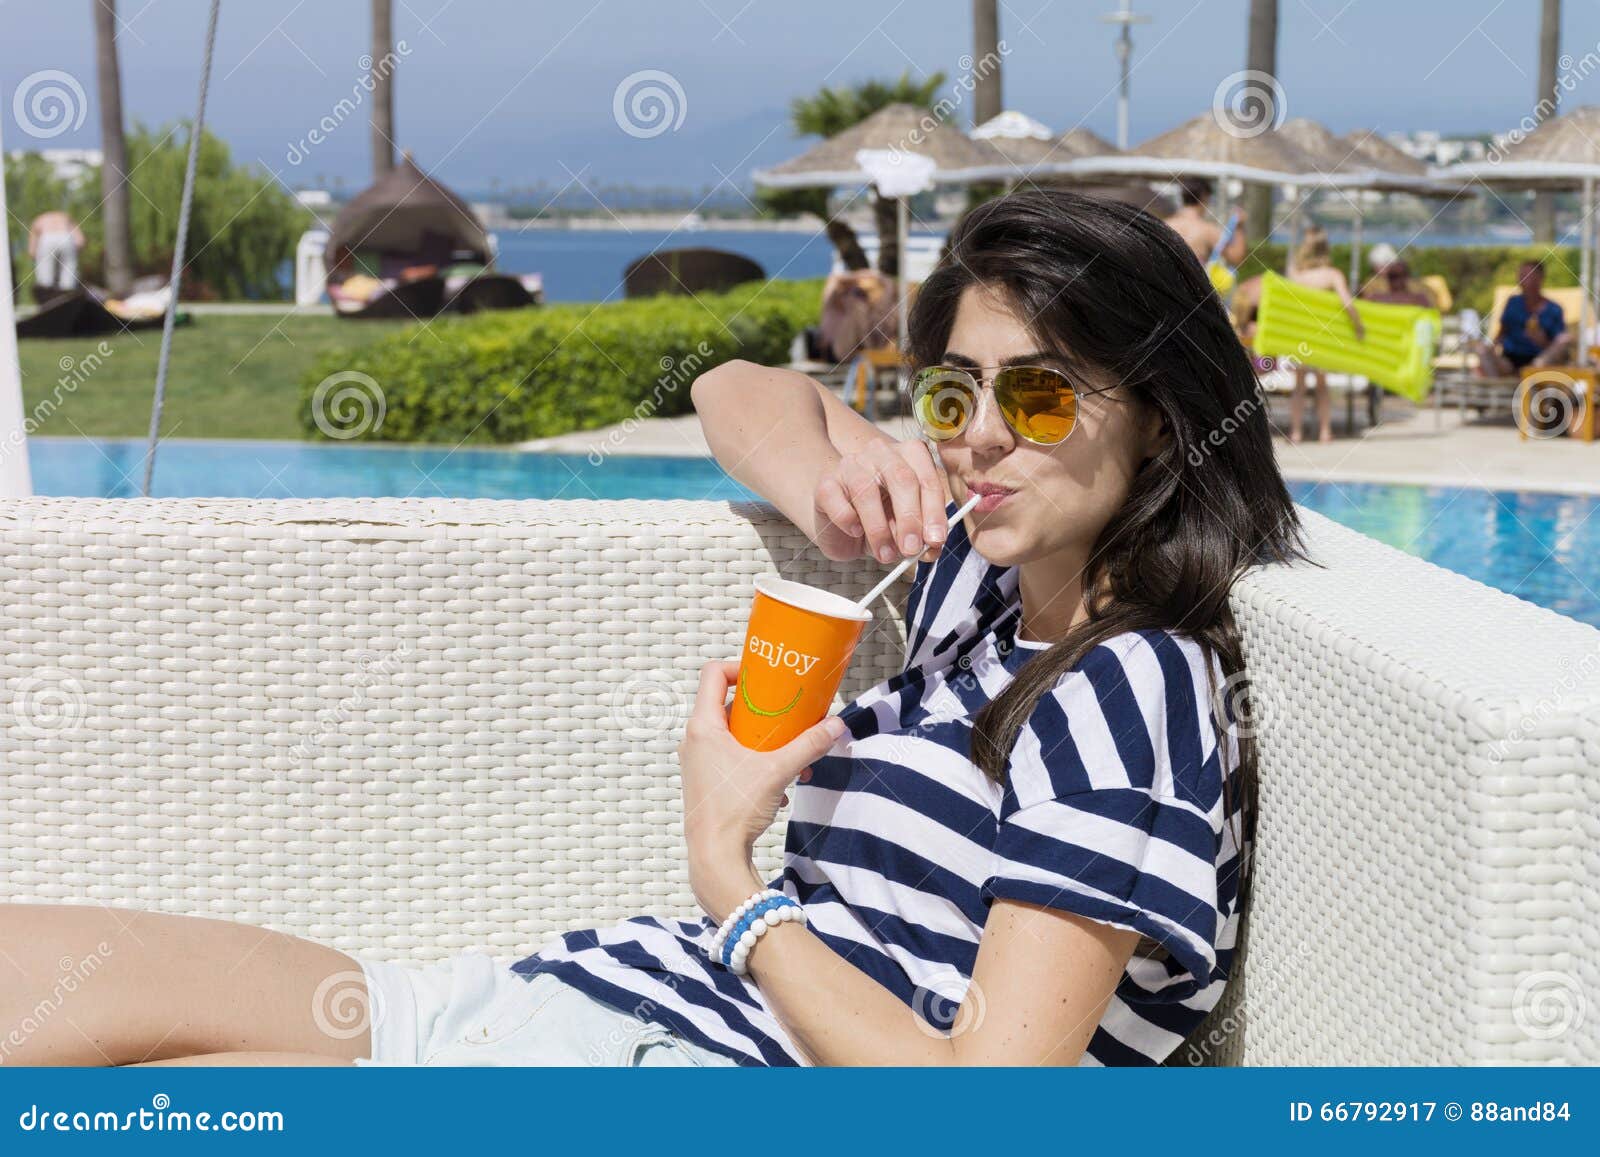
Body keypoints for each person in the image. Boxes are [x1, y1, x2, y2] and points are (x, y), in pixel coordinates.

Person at [2, 189, 1302, 1068]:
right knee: (60, 972)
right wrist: (827, 484)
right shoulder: (982, 573)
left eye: (1039, 391)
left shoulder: (1130, 689)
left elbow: (984, 1111)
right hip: (594, 1002)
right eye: (955, 391)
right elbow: (738, 391)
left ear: (1163, 410)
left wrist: (727, 867)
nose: (976, 435)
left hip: (680, 1063)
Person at [1284, 226, 1364, 444]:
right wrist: (1358, 326)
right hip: (1321, 336)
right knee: (1322, 386)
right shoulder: (1332, 275)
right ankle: (1325, 432)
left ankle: (1296, 433)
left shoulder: (1295, 274)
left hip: (1300, 334)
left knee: (1298, 387)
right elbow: (1347, 303)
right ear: (1325, 249)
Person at [1474, 259, 1574, 377]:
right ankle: (1496, 390)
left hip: (1540, 363)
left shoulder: (1554, 309)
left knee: (1564, 340)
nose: (1523, 280)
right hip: (1510, 361)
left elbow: (1559, 348)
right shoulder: (1513, 303)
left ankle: (1529, 376)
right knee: (1482, 350)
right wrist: (1489, 349)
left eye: (1528, 276)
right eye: (1521, 276)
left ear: (1540, 279)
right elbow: (1502, 333)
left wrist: (1542, 340)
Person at [1163, 177, 1247, 267]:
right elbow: (1236, 257)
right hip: (1193, 280)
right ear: (1204, 196)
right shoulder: (1207, 230)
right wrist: (1239, 226)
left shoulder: (1164, 225)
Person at [27, 209, 85, 299]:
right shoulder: (65, 217)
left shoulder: (40, 219)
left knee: (45, 279)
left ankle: (46, 300)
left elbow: (32, 250)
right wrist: (73, 256)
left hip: (47, 238)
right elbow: (80, 241)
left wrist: (36, 256)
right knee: (68, 275)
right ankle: (67, 299)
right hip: (66, 237)